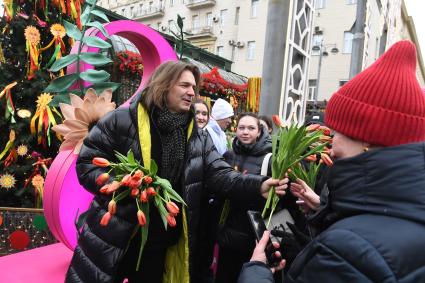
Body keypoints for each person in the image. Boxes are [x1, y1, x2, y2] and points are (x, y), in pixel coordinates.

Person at [65, 61, 288, 283]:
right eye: (185, 85)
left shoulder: (198, 136)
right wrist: (123, 184)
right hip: (114, 235)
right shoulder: (121, 120)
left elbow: (221, 174)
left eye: (194, 87)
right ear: (163, 85)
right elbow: (87, 164)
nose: (192, 92)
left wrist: (258, 185)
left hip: (161, 244)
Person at [239, 40, 425, 282]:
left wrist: (256, 271)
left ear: (366, 139)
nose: (331, 143)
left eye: (337, 132)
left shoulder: (346, 251)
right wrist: (316, 238)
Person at [215, 113, 272, 283]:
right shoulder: (228, 156)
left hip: (252, 234)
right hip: (228, 230)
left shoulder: (269, 160)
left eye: (251, 128)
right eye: (241, 128)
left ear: (259, 131)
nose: (245, 132)